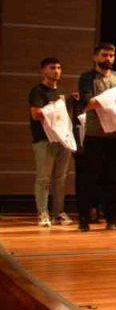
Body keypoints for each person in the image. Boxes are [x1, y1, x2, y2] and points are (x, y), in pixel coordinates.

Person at [75, 42, 116, 231]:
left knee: (113, 178)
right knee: (90, 179)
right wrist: (111, 97)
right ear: (95, 57)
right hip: (95, 134)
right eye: (105, 55)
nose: (108, 59)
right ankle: (84, 217)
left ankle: (112, 218)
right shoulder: (87, 78)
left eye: (112, 55)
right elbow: (87, 103)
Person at [28, 57, 73, 227]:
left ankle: (58, 213)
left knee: (60, 178)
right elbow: (36, 114)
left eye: (59, 67)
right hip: (44, 140)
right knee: (44, 178)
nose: (57, 71)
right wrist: (55, 107)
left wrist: (66, 101)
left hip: (62, 139)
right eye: (52, 67)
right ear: (43, 71)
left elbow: (62, 115)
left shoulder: (60, 91)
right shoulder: (37, 91)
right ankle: (42, 213)